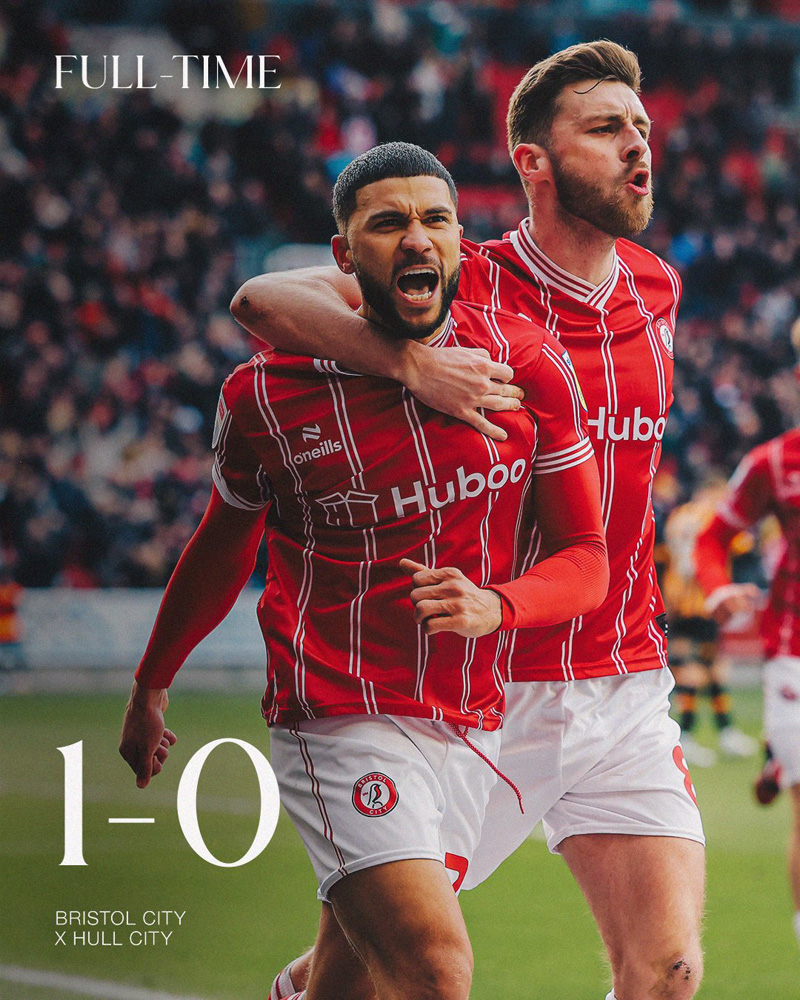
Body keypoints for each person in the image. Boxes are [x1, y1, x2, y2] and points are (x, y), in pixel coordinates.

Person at [232, 40, 705, 1000]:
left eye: (642, 128)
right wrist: (408, 361)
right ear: (533, 159)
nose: (637, 147)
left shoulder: (658, 287)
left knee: (668, 972)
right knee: (373, 978)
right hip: (487, 681)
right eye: (606, 129)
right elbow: (264, 301)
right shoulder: (466, 276)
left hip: (621, 674)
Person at [120, 143, 609, 1000]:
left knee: (347, 983)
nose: (416, 238)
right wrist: (151, 682)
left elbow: (587, 557)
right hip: (336, 711)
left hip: (470, 716)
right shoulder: (264, 396)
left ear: (459, 241)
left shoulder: (525, 363)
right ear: (343, 257)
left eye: (435, 219)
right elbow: (224, 546)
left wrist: (498, 605)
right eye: (387, 224)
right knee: (434, 969)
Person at [695, 328, 800, 951]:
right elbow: (713, 537)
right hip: (794, 652)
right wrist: (716, 589)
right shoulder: (776, 462)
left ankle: (777, 754)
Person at [661, 479, 759, 766]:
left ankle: (725, 731)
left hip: (677, 598)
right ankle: (687, 733)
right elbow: (743, 544)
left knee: (711, 667)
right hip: (704, 599)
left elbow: (666, 552)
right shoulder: (711, 516)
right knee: (696, 668)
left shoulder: (678, 516)